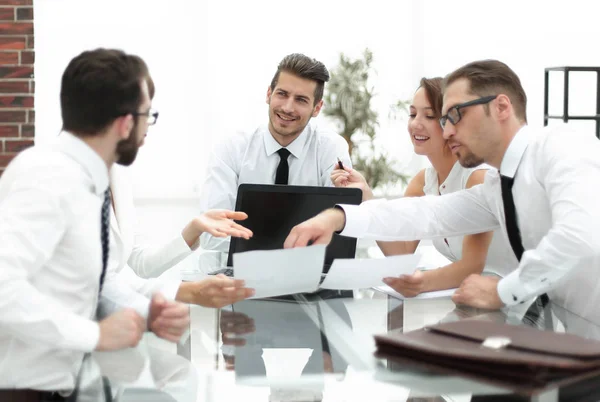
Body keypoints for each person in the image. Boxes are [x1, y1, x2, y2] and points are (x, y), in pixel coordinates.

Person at [283, 59, 600, 323]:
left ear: (501, 107)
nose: (447, 131)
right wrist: (337, 217)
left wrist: (502, 291)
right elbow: (430, 213)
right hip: (567, 330)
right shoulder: (497, 186)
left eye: (454, 116)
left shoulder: (563, 145)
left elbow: (580, 236)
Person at [0, 48, 188, 400]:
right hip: (25, 390)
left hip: (67, 384)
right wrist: (95, 335)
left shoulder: (87, 179)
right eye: (148, 115)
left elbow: (86, 281)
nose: (148, 127)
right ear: (126, 123)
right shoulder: (48, 177)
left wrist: (149, 311)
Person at [330, 77, 516, 297]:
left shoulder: (477, 178)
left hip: (512, 299)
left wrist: (421, 282)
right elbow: (401, 253)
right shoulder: (422, 181)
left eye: (429, 116)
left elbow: (471, 266)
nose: (416, 123)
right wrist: (366, 195)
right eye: (412, 114)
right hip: (469, 298)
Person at [199, 53, 352, 254]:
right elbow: (211, 235)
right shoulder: (231, 148)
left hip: (310, 273)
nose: (288, 107)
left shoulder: (331, 148)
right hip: (242, 272)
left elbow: (341, 232)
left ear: (317, 108)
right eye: (282, 94)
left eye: (301, 100)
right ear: (268, 94)